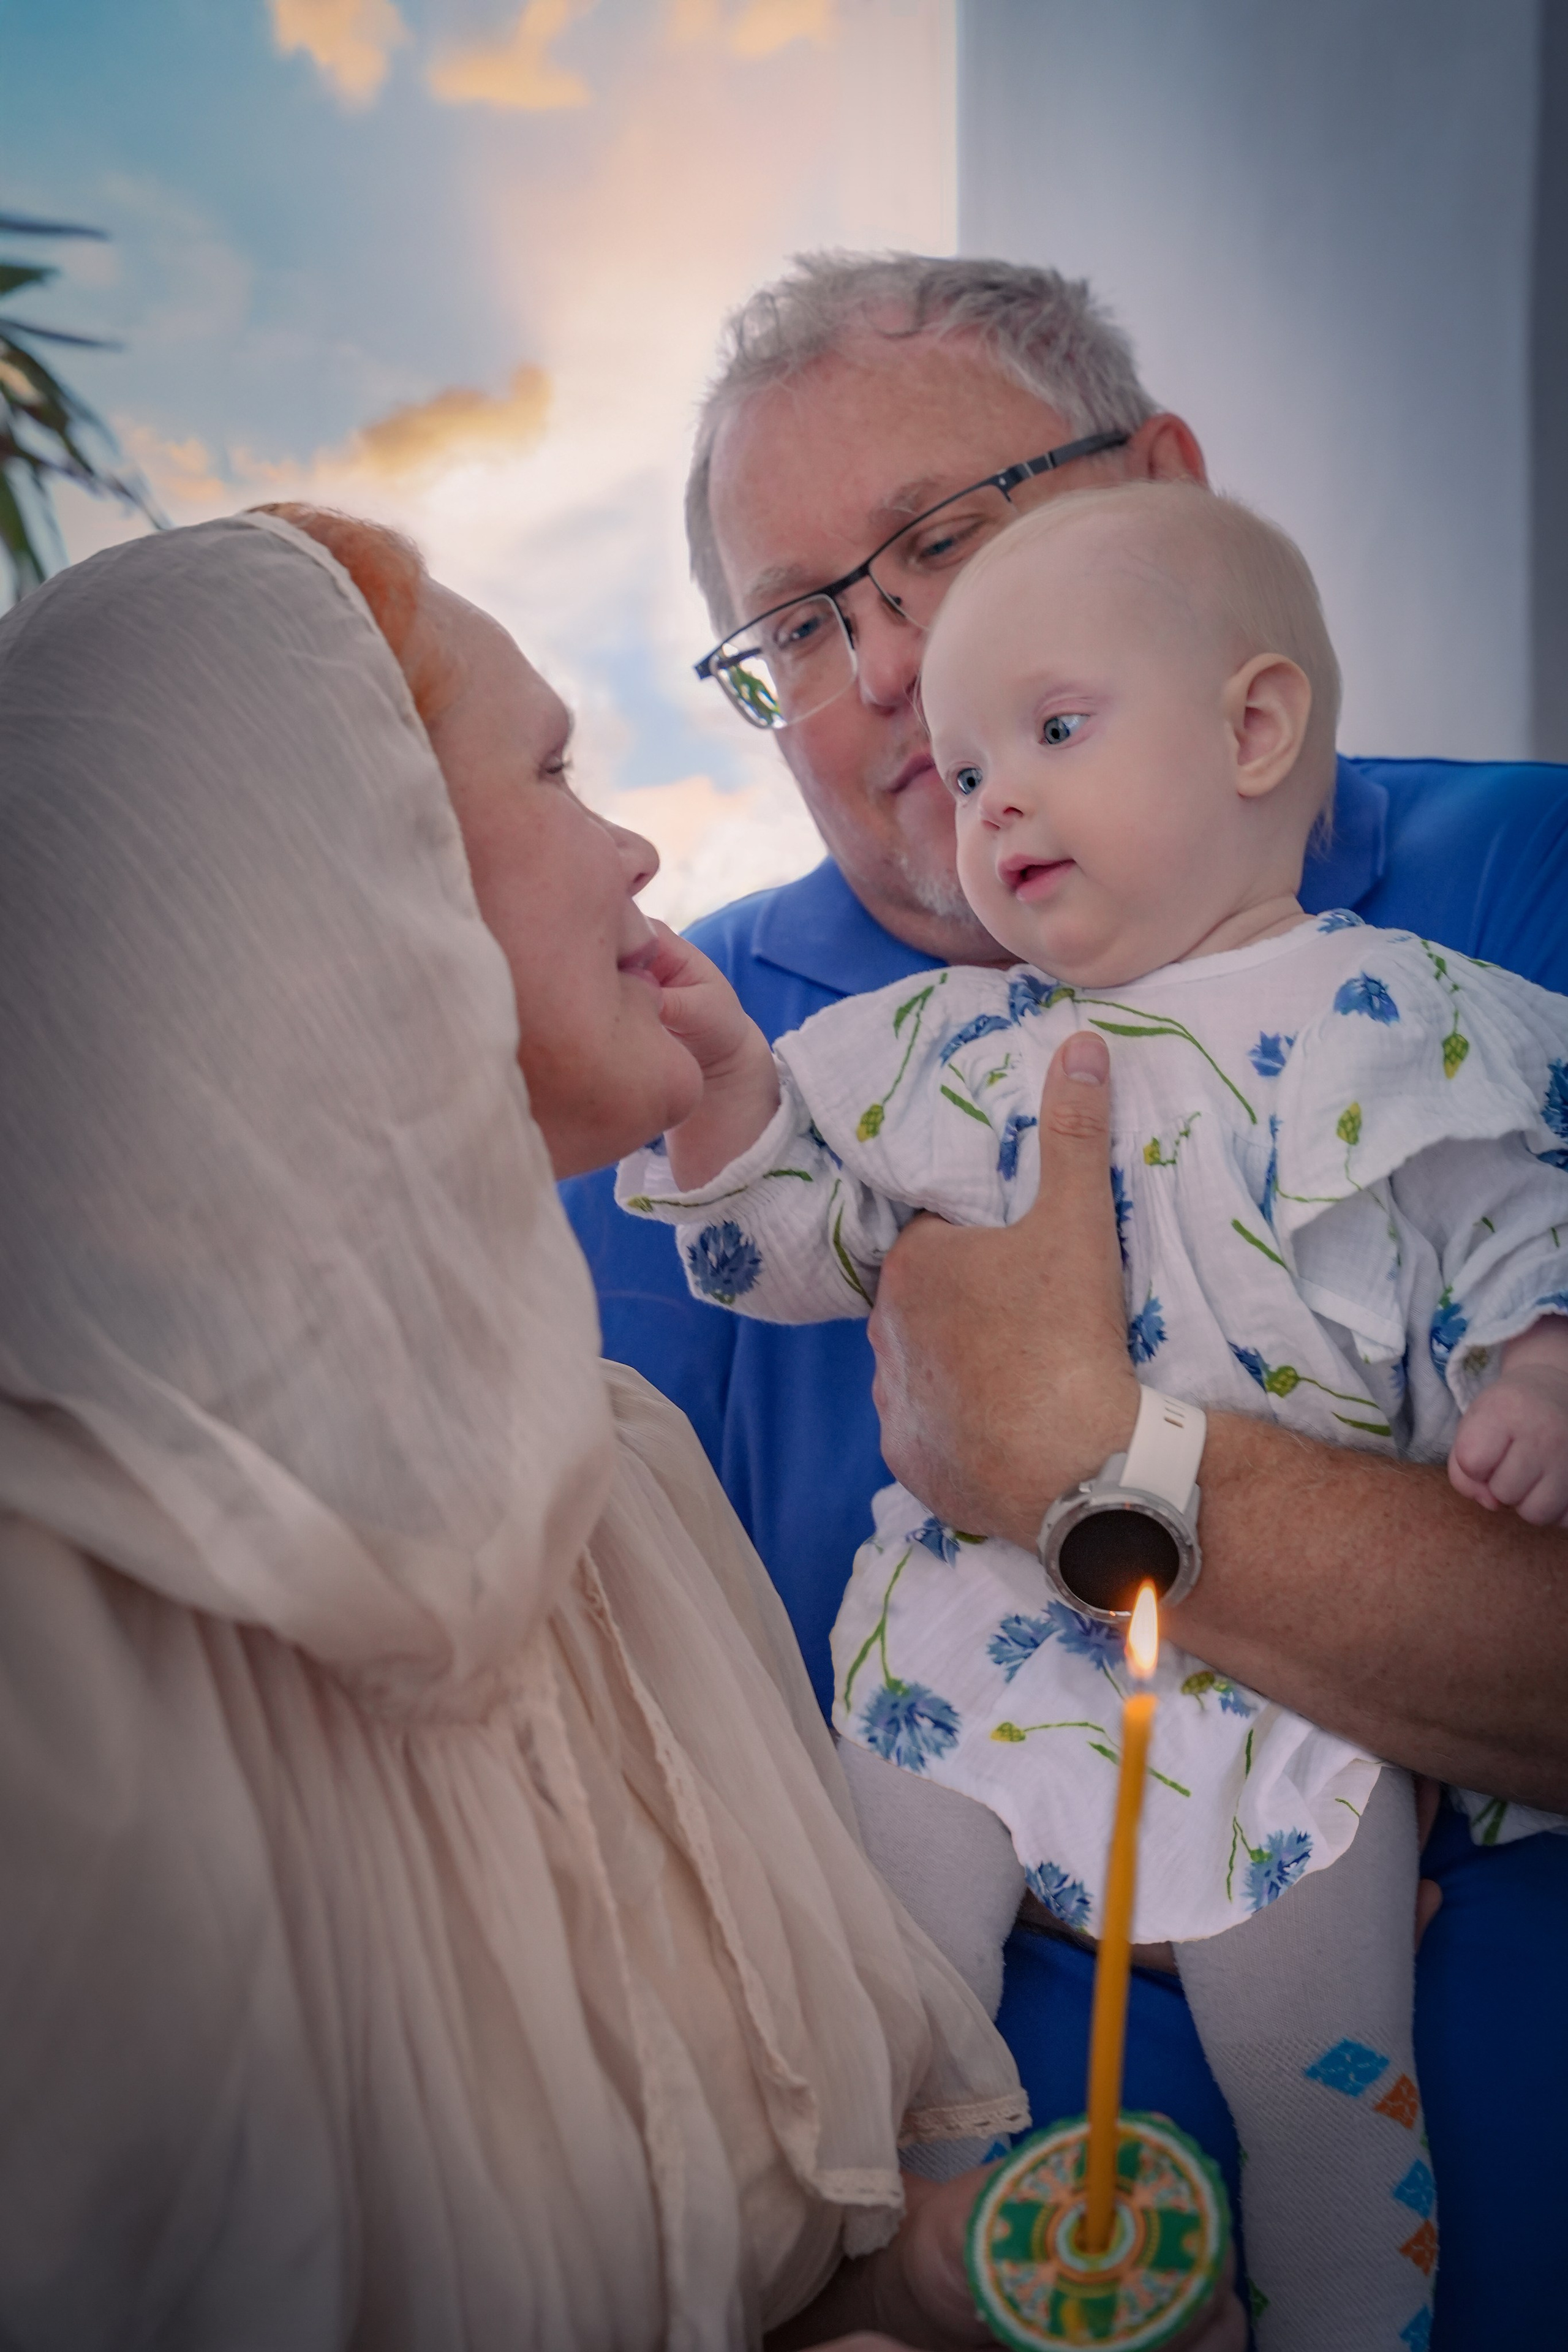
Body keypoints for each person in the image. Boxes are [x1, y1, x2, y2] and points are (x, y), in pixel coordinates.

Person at [1, 503, 1210, 2352]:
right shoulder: (48, 1634)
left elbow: (783, 2250)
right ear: (328, 885)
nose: (641, 842)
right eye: (557, 771)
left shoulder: (627, 1473)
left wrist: (946, 2277)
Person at [559, 252, 1568, 2340]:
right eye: (800, 624)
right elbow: (587, 1847)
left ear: (1172, 502)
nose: (883, 666)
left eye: (940, 542)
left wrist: (1083, 1458)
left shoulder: (1512, 925)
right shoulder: (669, 1058)